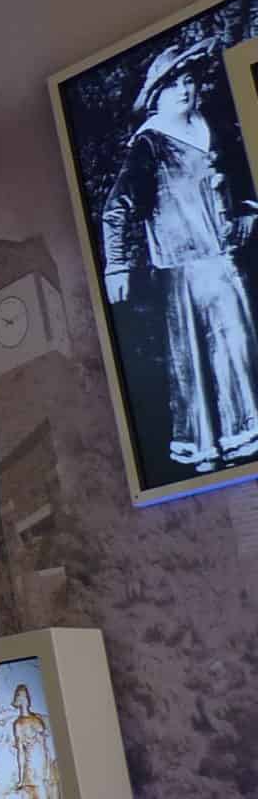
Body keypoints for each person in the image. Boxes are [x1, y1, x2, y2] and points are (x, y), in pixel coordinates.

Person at [100, 37, 258, 473]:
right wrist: (117, 264)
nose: (186, 91)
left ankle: (245, 437)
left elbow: (241, 172)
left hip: (224, 259)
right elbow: (117, 208)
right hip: (182, 268)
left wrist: (247, 209)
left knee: (239, 347)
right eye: (175, 85)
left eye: (189, 82)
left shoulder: (208, 125)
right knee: (195, 359)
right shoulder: (149, 144)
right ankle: (210, 449)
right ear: (157, 95)